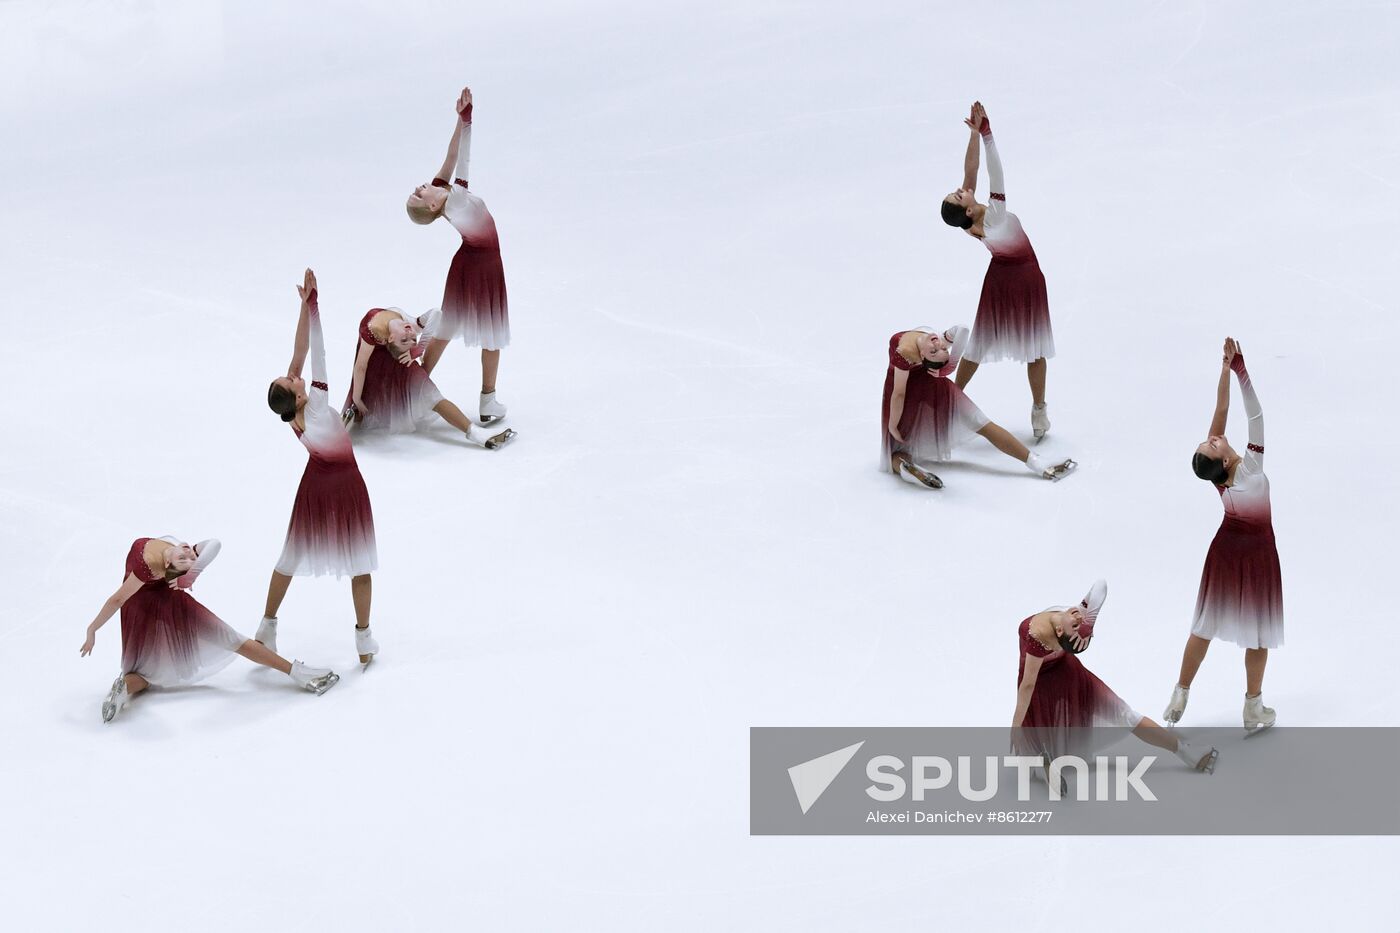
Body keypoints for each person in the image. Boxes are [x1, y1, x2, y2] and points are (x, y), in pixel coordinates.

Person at [80, 536, 338, 722]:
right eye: (186, 554)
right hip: (143, 604)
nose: (186, 552)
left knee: (153, 673)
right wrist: (92, 629)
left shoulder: (157, 559)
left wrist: (191, 572)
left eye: (188, 557)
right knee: (228, 642)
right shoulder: (164, 554)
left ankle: (124, 687)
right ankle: (301, 674)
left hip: (142, 604)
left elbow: (214, 543)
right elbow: (213, 543)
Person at [263, 269, 381, 666]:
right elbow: (318, 352)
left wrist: (305, 304)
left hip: (314, 484)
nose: (295, 375)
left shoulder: (292, 413)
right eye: (292, 380)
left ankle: (267, 626)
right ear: (298, 396)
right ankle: (364, 641)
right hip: (345, 484)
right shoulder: (313, 405)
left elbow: (298, 354)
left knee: (290, 557)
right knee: (360, 562)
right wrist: (316, 309)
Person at [1164, 338, 1282, 734]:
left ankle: (1181, 690)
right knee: (1259, 632)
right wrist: (1242, 370)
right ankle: (1254, 705)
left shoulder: (1220, 474)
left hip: (1225, 550)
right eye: (1212, 442)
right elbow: (1256, 416)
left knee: (1205, 624)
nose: (1214, 435)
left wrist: (1224, 367)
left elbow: (1221, 410)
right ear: (1224, 457)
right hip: (1258, 553)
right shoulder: (1249, 469)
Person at [1013, 579, 1218, 782]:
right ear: (1058, 632)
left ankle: (1186, 752)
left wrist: (1088, 621)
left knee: (1126, 715)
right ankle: (1041, 763)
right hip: (1038, 683)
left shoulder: (1070, 618)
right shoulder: (1037, 634)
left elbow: (1100, 585)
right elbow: (1028, 684)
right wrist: (1015, 725)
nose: (1078, 617)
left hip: (1070, 674)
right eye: (1077, 625)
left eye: (1081, 624)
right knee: (1033, 734)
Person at [941, 102, 1055, 439]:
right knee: (1032, 349)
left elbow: (971, 172)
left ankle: (953, 401)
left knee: (981, 346)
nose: (962, 189)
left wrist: (973, 134)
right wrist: (988, 136)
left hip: (999, 277)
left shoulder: (970, 219)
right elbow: (996, 174)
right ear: (965, 208)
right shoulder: (993, 216)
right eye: (958, 194)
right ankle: (1039, 411)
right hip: (1024, 276)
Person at [405, 86, 511, 424]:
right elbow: (463, 159)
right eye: (419, 195)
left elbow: (450, 157)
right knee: (490, 332)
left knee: (448, 327)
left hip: (467, 262)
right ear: (433, 206)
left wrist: (459, 120)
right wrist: (468, 121)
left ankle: (415, 388)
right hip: (484, 265)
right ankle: (488, 400)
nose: (420, 188)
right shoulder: (457, 200)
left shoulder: (443, 192)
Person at [883, 325, 1074, 488]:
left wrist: (892, 424)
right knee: (981, 424)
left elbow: (899, 394)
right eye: (937, 349)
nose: (936, 344)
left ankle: (903, 467)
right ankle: (1036, 462)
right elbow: (963, 329)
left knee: (895, 449)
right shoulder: (920, 346)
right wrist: (949, 350)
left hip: (915, 393)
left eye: (939, 349)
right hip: (920, 393)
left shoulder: (917, 347)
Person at [345, 306, 513, 448]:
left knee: (431, 395)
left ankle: (475, 432)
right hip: (374, 362)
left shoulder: (406, 324)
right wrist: (356, 398)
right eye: (406, 339)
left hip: (403, 359)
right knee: (367, 398)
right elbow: (360, 366)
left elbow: (436, 314)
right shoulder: (372, 330)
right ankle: (352, 419)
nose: (411, 333)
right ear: (389, 338)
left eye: (412, 339)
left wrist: (417, 350)